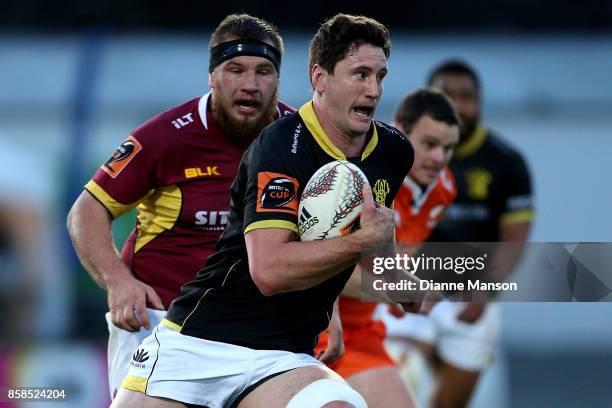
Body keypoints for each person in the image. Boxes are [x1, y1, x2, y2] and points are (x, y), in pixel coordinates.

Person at [111, 13, 415, 408]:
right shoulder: (280, 145)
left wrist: (407, 283)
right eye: (360, 75)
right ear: (319, 78)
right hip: (200, 344)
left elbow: (365, 244)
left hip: (283, 357)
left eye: (380, 76)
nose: (373, 90)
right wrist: (362, 242)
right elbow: (269, 272)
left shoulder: (393, 151)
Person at [66, 13, 297, 399]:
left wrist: (334, 311)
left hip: (259, 329)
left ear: (277, 80)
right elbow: (85, 211)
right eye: (235, 70)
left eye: (263, 71)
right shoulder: (166, 137)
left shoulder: (298, 138)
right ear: (212, 76)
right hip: (161, 323)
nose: (250, 84)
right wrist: (118, 281)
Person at [383, 60, 534, 408]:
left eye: (465, 96)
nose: (457, 105)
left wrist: (484, 289)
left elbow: (514, 240)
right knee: (402, 379)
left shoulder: (505, 162)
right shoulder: (389, 160)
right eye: (446, 95)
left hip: (469, 294)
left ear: (479, 101)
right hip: (406, 294)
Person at [316, 88, 460, 407]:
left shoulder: (443, 188)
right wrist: (400, 292)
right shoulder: (357, 179)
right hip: (316, 325)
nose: (439, 158)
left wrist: (406, 287)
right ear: (399, 132)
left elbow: (394, 263)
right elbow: (320, 265)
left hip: (363, 330)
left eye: (448, 148)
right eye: (429, 144)